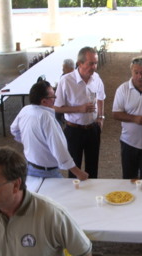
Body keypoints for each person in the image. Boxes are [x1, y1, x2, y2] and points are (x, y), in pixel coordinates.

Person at [10, 80, 88, 180]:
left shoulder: (25, 109)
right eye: (53, 97)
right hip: (47, 172)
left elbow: (14, 130)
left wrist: (31, 142)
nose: (55, 99)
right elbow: (59, 149)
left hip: (29, 166)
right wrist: (78, 173)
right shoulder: (47, 118)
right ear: (44, 101)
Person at [54, 47, 106, 178]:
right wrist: (79, 109)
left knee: (93, 166)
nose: (94, 67)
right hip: (74, 130)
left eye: (95, 63)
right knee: (74, 167)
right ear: (79, 63)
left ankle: (92, 195)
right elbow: (57, 107)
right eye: (90, 63)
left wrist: (101, 117)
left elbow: (101, 97)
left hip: (93, 129)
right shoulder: (66, 81)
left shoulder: (96, 78)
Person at [112, 56, 142, 179]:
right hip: (128, 143)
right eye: (136, 73)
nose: (139, 76)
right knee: (129, 179)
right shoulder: (123, 89)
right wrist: (135, 119)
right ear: (131, 72)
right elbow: (116, 114)